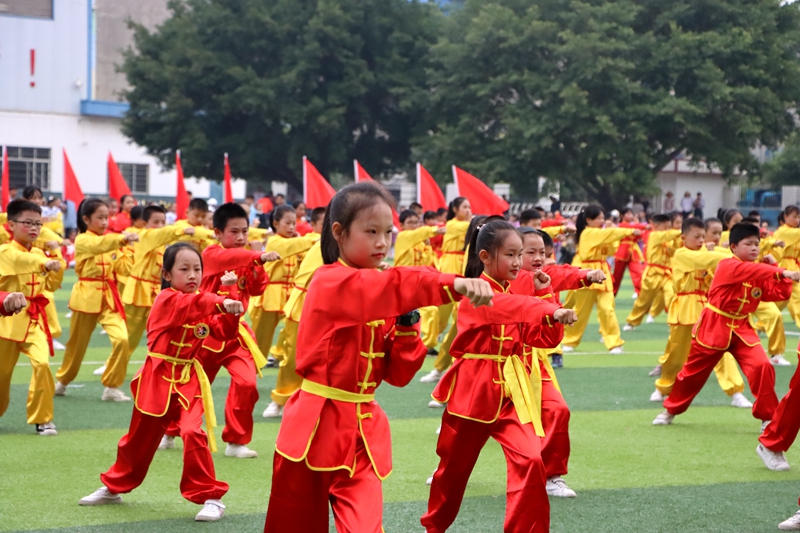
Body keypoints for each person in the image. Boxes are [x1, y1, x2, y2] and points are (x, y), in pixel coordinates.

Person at [263, 182, 494, 533]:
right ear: (338, 232)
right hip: (313, 427)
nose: (383, 242)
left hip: (362, 432)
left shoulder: (381, 288)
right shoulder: (329, 281)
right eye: (371, 232)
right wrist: (453, 283)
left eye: (388, 232)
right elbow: (390, 286)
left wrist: (405, 324)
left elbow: (399, 375)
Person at [421, 220, 577, 533]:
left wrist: (548, 294)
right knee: (453, 471)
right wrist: (546, 309)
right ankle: (434, 527)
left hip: (512, 390)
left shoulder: (516, 291)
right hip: (473, 391)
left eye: (521, 254)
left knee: (532, 461)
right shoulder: (476, 292)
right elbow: (505, 306)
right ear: (485, 257)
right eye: (511, 254)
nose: (519, 262)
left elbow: (544, 340)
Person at [79, 243, 244, 521]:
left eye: (197, 269)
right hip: (156, 378)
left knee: (193, 432)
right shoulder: (166, 299)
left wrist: (231, 297)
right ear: (167, 274)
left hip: (188, 378)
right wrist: (220, 300)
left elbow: (224, 331)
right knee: (137, 440)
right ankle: (114, 486)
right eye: (184, 269)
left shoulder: (203, 299)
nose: (193, 275)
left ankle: (210, 497)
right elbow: (192, 304)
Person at [653, 223, 800, 427]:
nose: (754, 248)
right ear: (733, 247)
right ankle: (670, 409)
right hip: (714, 326)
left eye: (757, 244)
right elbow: (751, 270)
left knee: (762, 366)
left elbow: (779, 294)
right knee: (692, 374)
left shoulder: (757, 270)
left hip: (741, 328)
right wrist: (782, 272)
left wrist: (775, 267)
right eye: (748, 244)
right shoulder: (728, 265)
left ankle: (767, 416)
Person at [164, 204, 280, 456]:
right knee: (190, 387)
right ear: (217, 232)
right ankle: (170, 429)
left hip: (235, 331)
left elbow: (258, 288)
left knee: (247, 383)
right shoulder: (212, 254)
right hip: (205, 332)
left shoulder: (246, 256)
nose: (240, 237)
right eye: (234, 232)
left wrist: (258, 264)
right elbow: (231, 259)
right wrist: (257, 256)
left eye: (245, 231)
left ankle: (236, 441)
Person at [649, 217, 749, 408]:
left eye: (703, 236)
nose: (702, 240)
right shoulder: (681, 254)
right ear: (684, 237)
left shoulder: (709, 252)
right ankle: (664, 387)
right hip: (685, 306)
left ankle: (735, 391)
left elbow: (716, 262)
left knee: (721, 350)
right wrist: (733, 255)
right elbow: (703, 259)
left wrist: (742, 253)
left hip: (708, 307)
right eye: (697, 237)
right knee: (676, 353)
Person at [55, 198, 139, 401]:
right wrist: (122, 239)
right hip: (86, 295)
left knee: (122, 339)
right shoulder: (84, 240)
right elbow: (99, 246)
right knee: (77, 346)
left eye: (106, 217)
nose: (104, 222)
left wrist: (130, 250)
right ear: (86, 219)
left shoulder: (110, 240)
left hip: (109, 297)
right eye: (99, 218)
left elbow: (124, 269)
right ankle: (63, 380)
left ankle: (111, 386)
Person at [0, 199, 64, 435]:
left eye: (37, 223)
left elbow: (53, 282)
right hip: (5, 321)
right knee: (2, 375)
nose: (34, 228)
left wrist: (55, 254)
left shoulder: (39, 252)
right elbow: (23, 262)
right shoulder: (5, 251)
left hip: (34, 318)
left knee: (42, 364)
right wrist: (45, 261)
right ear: (11, 225)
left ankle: (42, 418)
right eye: (27, 223)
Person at [562, 205, 639, 353]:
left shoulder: (600, 233)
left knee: (607, 309)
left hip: (602, 271)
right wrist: (629, 230)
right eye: (599, 218)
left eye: (603, 218)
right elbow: (609, 234)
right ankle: (570, 341)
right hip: (587, 272)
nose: (602, 220)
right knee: (581, 310)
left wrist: (613, 236)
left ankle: (614, 342)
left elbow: (611, 248)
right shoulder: (588, 233)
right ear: (588, 220)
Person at [250, 204, 317, 364]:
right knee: (260, 338)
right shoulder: (275, 241)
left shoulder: (294, 242)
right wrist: (315, 239)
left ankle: (279, 354)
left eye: (294, 223)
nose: (291, 227)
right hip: (269, 293)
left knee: (295, 329)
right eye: (287, 223)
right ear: (275, 223)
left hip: (290, 293)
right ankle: (250, 367)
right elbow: (292, 246)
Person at [420, 197, 472, 384]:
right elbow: (470, 226)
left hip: (464, 270)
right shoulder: (453, 224)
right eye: (464, 207)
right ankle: (425, 348)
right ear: (455, 209)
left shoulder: (471, 228)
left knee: (459, 323)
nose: (468, 210)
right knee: (441, 318)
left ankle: (441, 368)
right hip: (449, 268)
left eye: (469, 207)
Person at [393, 209, 446, 354]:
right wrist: (435, 230)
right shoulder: (403, 236)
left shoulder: (422, 243)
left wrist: (428, 246)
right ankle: (421, 345)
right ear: (402, 225)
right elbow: (417, 233)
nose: (414, 226)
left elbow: (429, 262)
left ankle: (425, 344)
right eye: (410, 223)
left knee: (431, 311)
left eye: (417, 222)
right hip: (402, 284)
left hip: (417, 285)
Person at [623, 215, 680, 331]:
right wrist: (683, 231)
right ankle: (631, 322)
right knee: (644, 301)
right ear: (656, 226)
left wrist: (674, 247)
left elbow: (674, 251)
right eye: (666, 227)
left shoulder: (668, 238)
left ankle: (675, 323)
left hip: (667, 273)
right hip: (653, 273)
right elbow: (667, 235)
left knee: (672, 297)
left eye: (669, 227)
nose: (668, 229)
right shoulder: (654, 235)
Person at [611, 208, 647, 296]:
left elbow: (640, 235)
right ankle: (611, 293)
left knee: (638, 273)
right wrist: (643, 226)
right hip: (622, 252)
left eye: (631, 214)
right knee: (617, 276)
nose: (630, 215)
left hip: (633, 252)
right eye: (628, 213)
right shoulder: (621, 226)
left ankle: (640, 293)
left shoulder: (633, 226)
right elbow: (632, 228)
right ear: (622, 215)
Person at [774, 205, 800, 328]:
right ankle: (760, 324)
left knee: (795, 298)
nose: (797, 220)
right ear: (786, 217)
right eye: (794, 217)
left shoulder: (794, 233)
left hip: (793, 268)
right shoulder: (784, 231)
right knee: (779, 300)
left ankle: (761, 324)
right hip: (783, 267)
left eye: (799, 217)